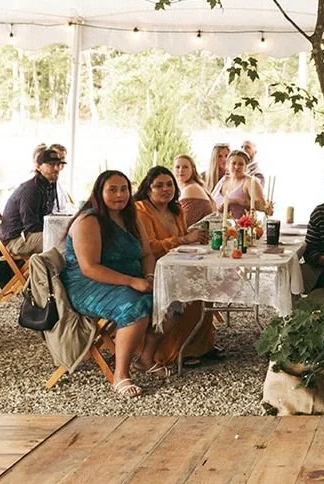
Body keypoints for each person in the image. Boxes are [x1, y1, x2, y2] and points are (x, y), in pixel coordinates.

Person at [61, 170, 163, 399]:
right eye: (113, 190)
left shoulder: (132, 217)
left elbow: (147, 254)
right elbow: (89, 267)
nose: (120, 195)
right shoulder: (89, 220)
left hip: (133, 280)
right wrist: (132, 282)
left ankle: (146, 358)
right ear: (99, 192)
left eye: (124, 189)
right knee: (135, 306)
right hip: (89, 284)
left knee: (172, 301)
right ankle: (120, 375)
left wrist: (149, 278)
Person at [133, 166, 217, 365]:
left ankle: (197, 346)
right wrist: (183, 240)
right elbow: (150, 248)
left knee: (207, 284)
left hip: (177, 265)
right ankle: (171, 352)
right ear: (148, 189)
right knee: (188, 292)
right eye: (159, 186)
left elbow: (184, 237)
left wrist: (195, 238)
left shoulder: (176, 209)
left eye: (169, 184)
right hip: (152, 269)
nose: (165, 189)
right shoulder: (141, 210)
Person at [0, 147, 63, 257]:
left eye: (59, 164)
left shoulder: (49, 185)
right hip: (16, 240)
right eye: (51, 165)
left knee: (66, 237)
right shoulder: (31, 189)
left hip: (28, 235)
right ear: (38, 167)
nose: (57, 168)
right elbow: (31, 226)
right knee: (64, 241)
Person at [212, 149, 267, 219]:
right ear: (227, 165)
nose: (237, 167)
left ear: (246, 167)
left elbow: (263, 207)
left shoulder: (250, 182)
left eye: (241, 164)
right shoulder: (223, 180)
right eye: (233, 163)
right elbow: (211, 201)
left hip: (241, 227)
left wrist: (236, 201)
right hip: (216, 224)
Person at [172, 154, 215, 226]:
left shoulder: (191, 189)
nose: (181, 170)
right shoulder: (189, 187)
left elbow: (184, 224)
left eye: (185, 167)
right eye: (177, 167)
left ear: (193, 170)